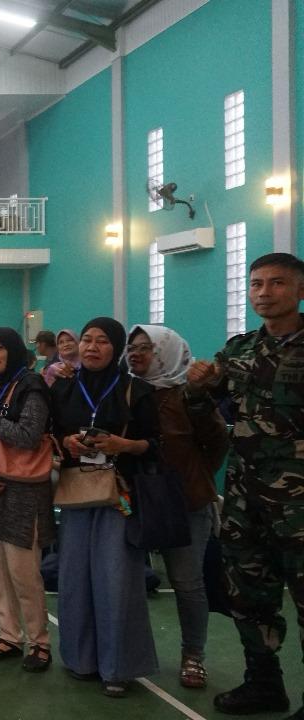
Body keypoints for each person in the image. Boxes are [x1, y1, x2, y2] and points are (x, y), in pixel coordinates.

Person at [188, 253, 304, 717]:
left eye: (277, 283)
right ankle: (264, 683)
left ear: (299, 290)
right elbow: (204, 412)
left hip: (299, 504)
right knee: (248, 595)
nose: (264, 292)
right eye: (256, 284)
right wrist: (197, 387)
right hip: (245, 498)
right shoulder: (237, 351)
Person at [51, 317, 160, 697]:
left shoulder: (136, 390)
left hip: (120, 495)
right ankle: (80, 660)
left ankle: (117, 667)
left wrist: (123, 445)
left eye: (102, 341)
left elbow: (156, 444)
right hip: (76, 493)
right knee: (74, 578)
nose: (92, 347)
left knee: (116, 578)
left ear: (116, 348)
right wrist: (66, 442)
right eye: (87, 340)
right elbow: (51, 435)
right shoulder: (63, 388)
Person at [125, 324, 226, 689]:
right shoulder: (127, 391)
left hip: (185, 502)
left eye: (146, 348)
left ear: (165, 352)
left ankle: (193, 655)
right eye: (132, 347)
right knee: (124, 580)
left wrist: (193, 477)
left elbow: (217, 443)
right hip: (134, 500)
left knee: (186, 582)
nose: (136, 354)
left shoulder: (190, 396)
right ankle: (126, 655)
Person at [0, 327, 54, 673]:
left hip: (23, 492)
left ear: (14, 349)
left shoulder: (33, 387)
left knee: (24, 573)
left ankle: (40, 643)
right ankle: (9, 636)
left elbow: (28, 436)